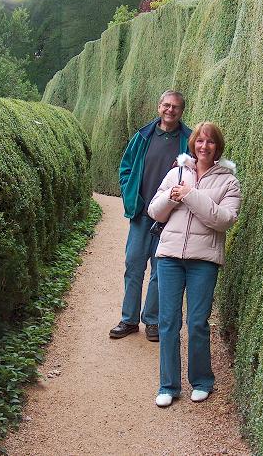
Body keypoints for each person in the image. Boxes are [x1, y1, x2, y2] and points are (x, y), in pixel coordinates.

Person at [148, 121, 241, 406]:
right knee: (168, 322)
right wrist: (171, 197)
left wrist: (189, 194)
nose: (203, 146)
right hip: (169, 258)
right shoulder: (176, 172)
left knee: (197, 323)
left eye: (210, 142)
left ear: (218, 147)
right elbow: (155, 211)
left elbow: (224, 220)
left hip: (204, 261)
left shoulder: (228, 181)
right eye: (199, 141)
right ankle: (168, 386)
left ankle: (202, 381)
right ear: (193, 144)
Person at [109, 90, 192, 342]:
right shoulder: (142, 137)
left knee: (159, 270)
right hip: (141, 214)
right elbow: (125, 167)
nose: (170, 110)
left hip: (170, 216)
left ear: (181, 111)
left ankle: (152, 321)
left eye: (175, 107)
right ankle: (129, 319)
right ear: (159, 107)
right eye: (166, 105)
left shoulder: (188, 141)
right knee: (133, 265)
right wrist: (129, 194)